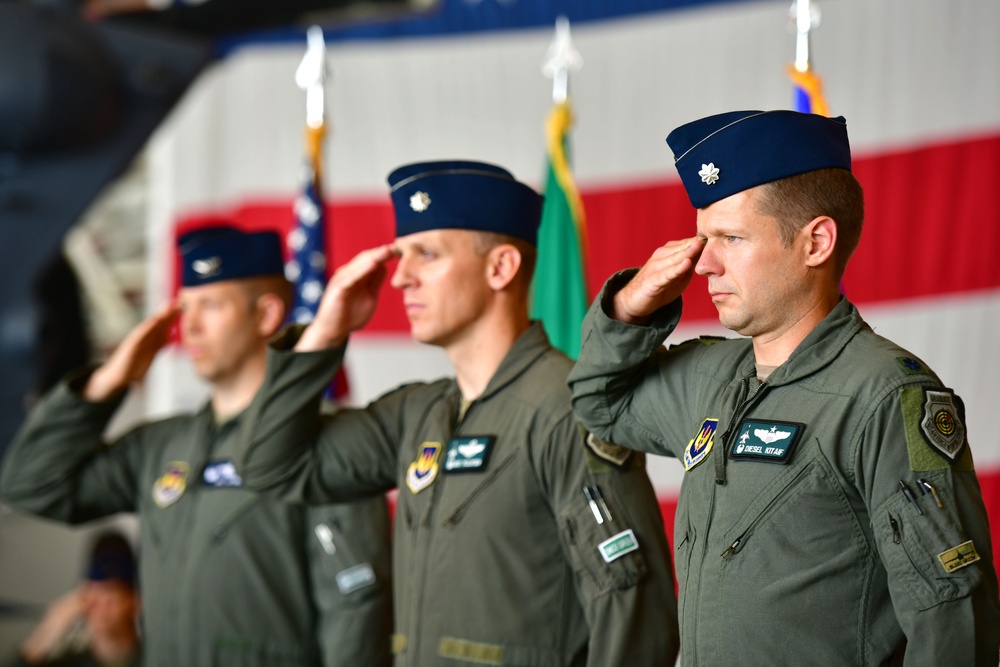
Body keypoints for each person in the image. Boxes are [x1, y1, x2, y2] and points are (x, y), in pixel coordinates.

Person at [567, 109, 1000, 664]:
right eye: (704, 239)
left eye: (731, 237)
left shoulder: (884, 396)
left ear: (816, 242)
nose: (704, 265)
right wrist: (628, 307)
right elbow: (600, 403)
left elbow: (952, 619)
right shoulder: (710, 376)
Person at [231, 160, 680, 666]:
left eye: (426, 254)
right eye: (400, 256)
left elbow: (634, 616)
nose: (400, 278)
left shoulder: (566, 408)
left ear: (500, 268)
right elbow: (268, 465)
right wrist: (324, 334)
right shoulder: (414, 414)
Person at [0, 226, 393, 667]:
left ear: (265, 315)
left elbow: (356, 609)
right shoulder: (163, 444)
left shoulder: (324, 441)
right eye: (184, 306)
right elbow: (31, 485)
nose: (189, 325)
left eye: (210, 305)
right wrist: (107, 383)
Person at [10, 531, 140, 667]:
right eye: (91, 594)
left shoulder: (156, 657)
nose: (100, 606)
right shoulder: (70, 663)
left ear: (135, 601)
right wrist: (48, 629)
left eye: (111, 594)